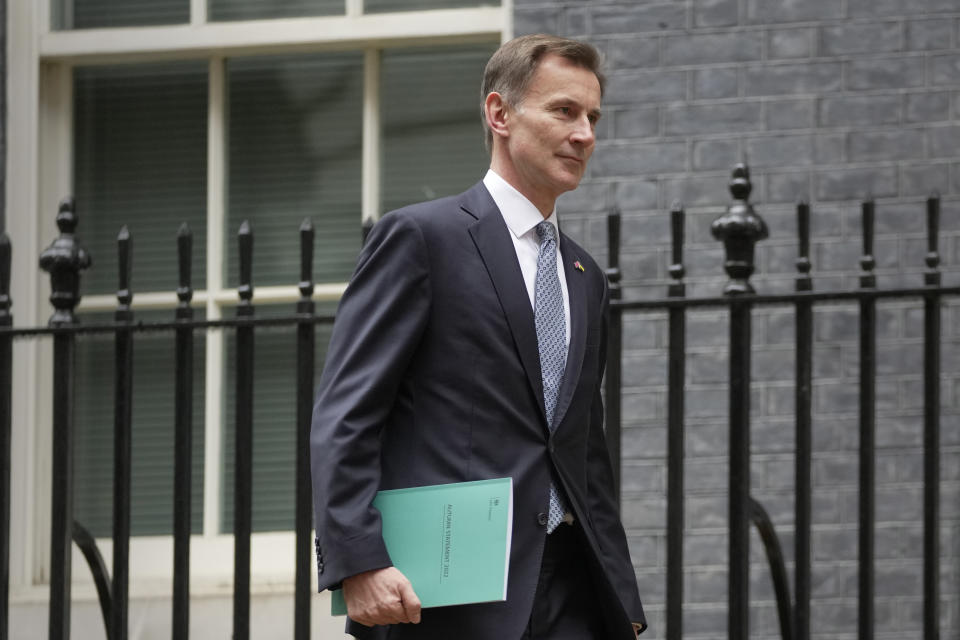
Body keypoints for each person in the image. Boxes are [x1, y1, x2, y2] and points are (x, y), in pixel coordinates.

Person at [311, 34, 646, 640]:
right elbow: (348, 414)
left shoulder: (585, 276)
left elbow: (583, 453)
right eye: (564, 111)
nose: (585, 134)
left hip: (574, 595)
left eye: (593, 117)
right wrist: (358, 560)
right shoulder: (421, 238)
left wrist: (620, 597)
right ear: (499, 114)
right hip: (446, 598)